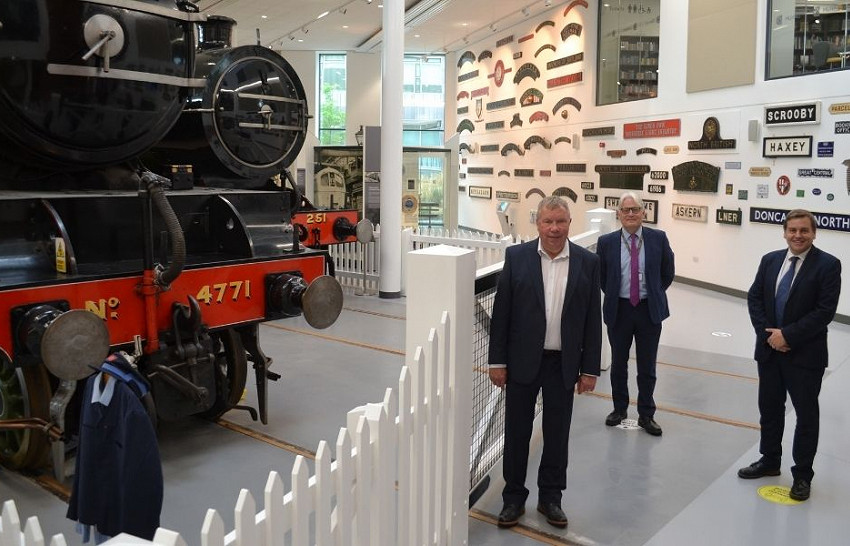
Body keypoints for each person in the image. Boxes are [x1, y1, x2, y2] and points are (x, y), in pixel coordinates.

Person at [488, 196, 601, 529]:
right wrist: (497, 361)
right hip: (522, 361)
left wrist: (589, 368)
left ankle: (551, 498)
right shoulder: (517, 257)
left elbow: (592, 319)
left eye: (561, 222)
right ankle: (513, 499)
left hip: (562, 365)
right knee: (517, 432)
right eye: (548, 221)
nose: (555, 228)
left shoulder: (587, 263)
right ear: (537, 223)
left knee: (557, 435)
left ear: (570, 223)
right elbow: (502, 314)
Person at [738, 209, 841, 502]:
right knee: (770, 410)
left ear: (814, 233)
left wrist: (788, 336)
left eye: (804, 231)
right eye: (792, 230)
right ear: (784, 232)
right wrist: (770, 336)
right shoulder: (770, 260)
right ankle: (770, 460)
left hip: (805, 356)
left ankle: (802, 476)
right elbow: (755, 297)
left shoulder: (828, 265)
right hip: (770, 352)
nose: (797, 235)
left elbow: (824, 311)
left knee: (806, 417)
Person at [596, 191, 675, 436]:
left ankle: (646, 414)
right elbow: (603, 278)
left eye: (635, 209)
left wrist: (651, 292)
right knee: (619, 364)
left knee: (647, 366)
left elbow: (667, 272)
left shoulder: (658, 239)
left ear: (643, 212)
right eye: (626, 210)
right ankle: (619, 409)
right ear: (618, 214)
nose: (631, 214)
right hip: (619, 310)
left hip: (647, 309)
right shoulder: (607, 242)